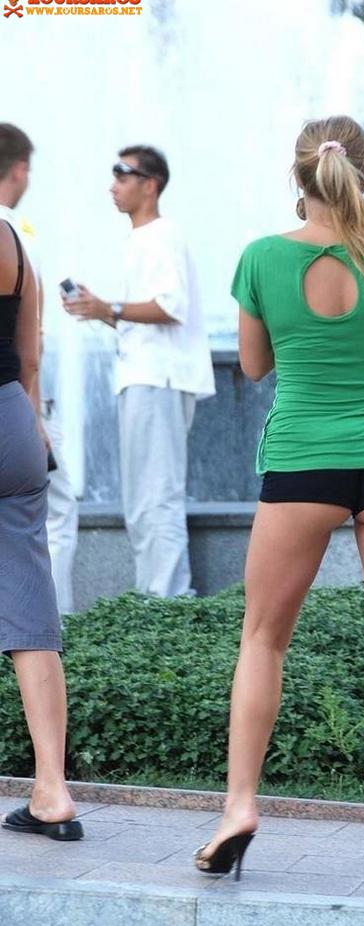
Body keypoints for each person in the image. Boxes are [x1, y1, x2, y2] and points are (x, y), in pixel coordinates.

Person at [192, 117, 364, 899]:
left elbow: (252, 365)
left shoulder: (261, 258)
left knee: (262, 640)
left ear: (299, 177)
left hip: (303, 464)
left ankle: (240, 807)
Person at [64, 145, 215, 597]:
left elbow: (171, 306)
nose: (113, 185)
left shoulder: (162, 235)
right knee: (142, 499)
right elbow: (148, 316)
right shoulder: (141, 239)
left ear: (151, 185)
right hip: (144, 376)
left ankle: (168, 599)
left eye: (123, 174)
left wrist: (109, 307)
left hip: (158, 379)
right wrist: (100, 310)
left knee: (156, 497)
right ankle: (156, 596)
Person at [0, 220, 83, 841]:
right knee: (30, 611)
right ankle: (52, 788)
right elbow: (31, 359)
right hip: (15, 423)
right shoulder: (12, 240)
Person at [0, 123, 78, 614]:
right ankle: (59, 615)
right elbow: (31, 343)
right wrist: (34, 414)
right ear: (20, 169)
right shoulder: (16, 235)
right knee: (54, 514)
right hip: (14, 405)